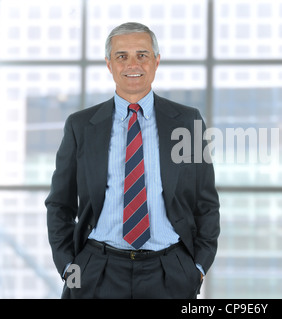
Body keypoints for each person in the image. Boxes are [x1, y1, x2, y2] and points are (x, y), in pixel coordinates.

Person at [46, 22, 220, 299]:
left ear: (156, 61)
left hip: (170, 272)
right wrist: (69, 266)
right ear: (109, 64)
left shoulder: (188, 122)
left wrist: (197, 267)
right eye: (121, 56)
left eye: (142, 54)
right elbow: (59, 203)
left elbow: (206, 202)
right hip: (96, 270)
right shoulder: (80, 126)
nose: (132, 64)